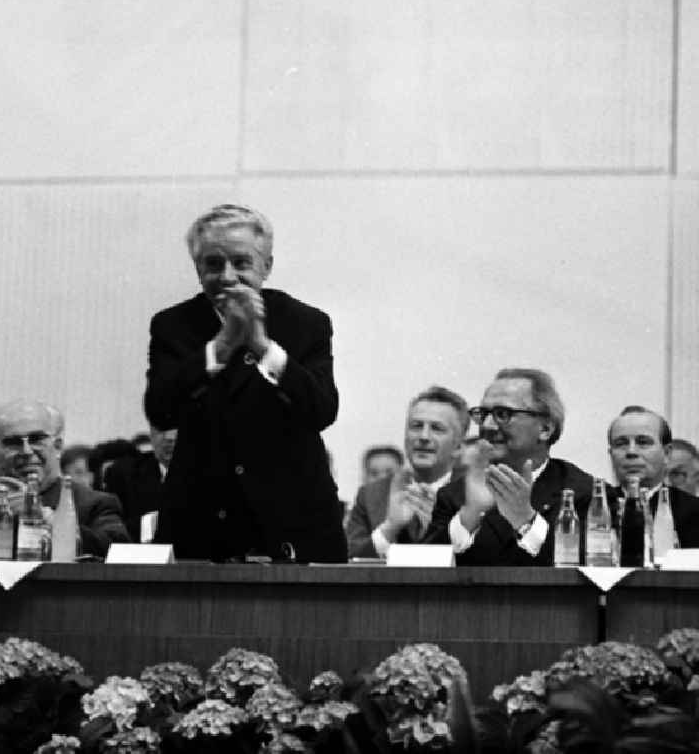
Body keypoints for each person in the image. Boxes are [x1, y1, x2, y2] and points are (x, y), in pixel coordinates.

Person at [143, 203, 346, 562]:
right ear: (197, 269)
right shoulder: (173, 326)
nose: (227, 276)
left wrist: (263, 347)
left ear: (266, 266)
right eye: (212, 264)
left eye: (241, 262)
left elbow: (322, 410)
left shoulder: (306, 323)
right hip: (203, 522)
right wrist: (220, 348)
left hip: (294, 521)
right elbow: (160, 409)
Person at [0, 399, 130, 557]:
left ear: (58, 446)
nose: (26, 451)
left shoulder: (93, 504)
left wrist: (54, 524)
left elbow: (122, 555)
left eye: (36, 439)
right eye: (13, 442)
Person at [430, 368, 593, 565]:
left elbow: (592, 571)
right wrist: (470, 515)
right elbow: (423, 575)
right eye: (483, 414)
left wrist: (525, 520)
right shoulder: (453, 496)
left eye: (502, 414)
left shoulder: (586, 494)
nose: (488, 425)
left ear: (545, 429)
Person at [346, 386, 467, 558]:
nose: (424, 436)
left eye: (437, 428)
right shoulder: (371, 495)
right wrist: (389, 528)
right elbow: (345, 561)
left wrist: (444, 530)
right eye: (416, 426)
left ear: (459, 446)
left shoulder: (473, 496)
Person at [607, 406, 699, 547]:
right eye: (621, 443)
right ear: (611, 454)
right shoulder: (595, 508)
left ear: (667, 453)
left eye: (643, 442)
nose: (631, 451)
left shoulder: (694, 511)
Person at [104, 424, 178, 542]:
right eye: (161, 428)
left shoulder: (213, 474)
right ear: (151, 433)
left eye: (178, 428)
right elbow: (111, 529)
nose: (170, 437)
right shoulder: (124, 474)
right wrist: (149, 524)